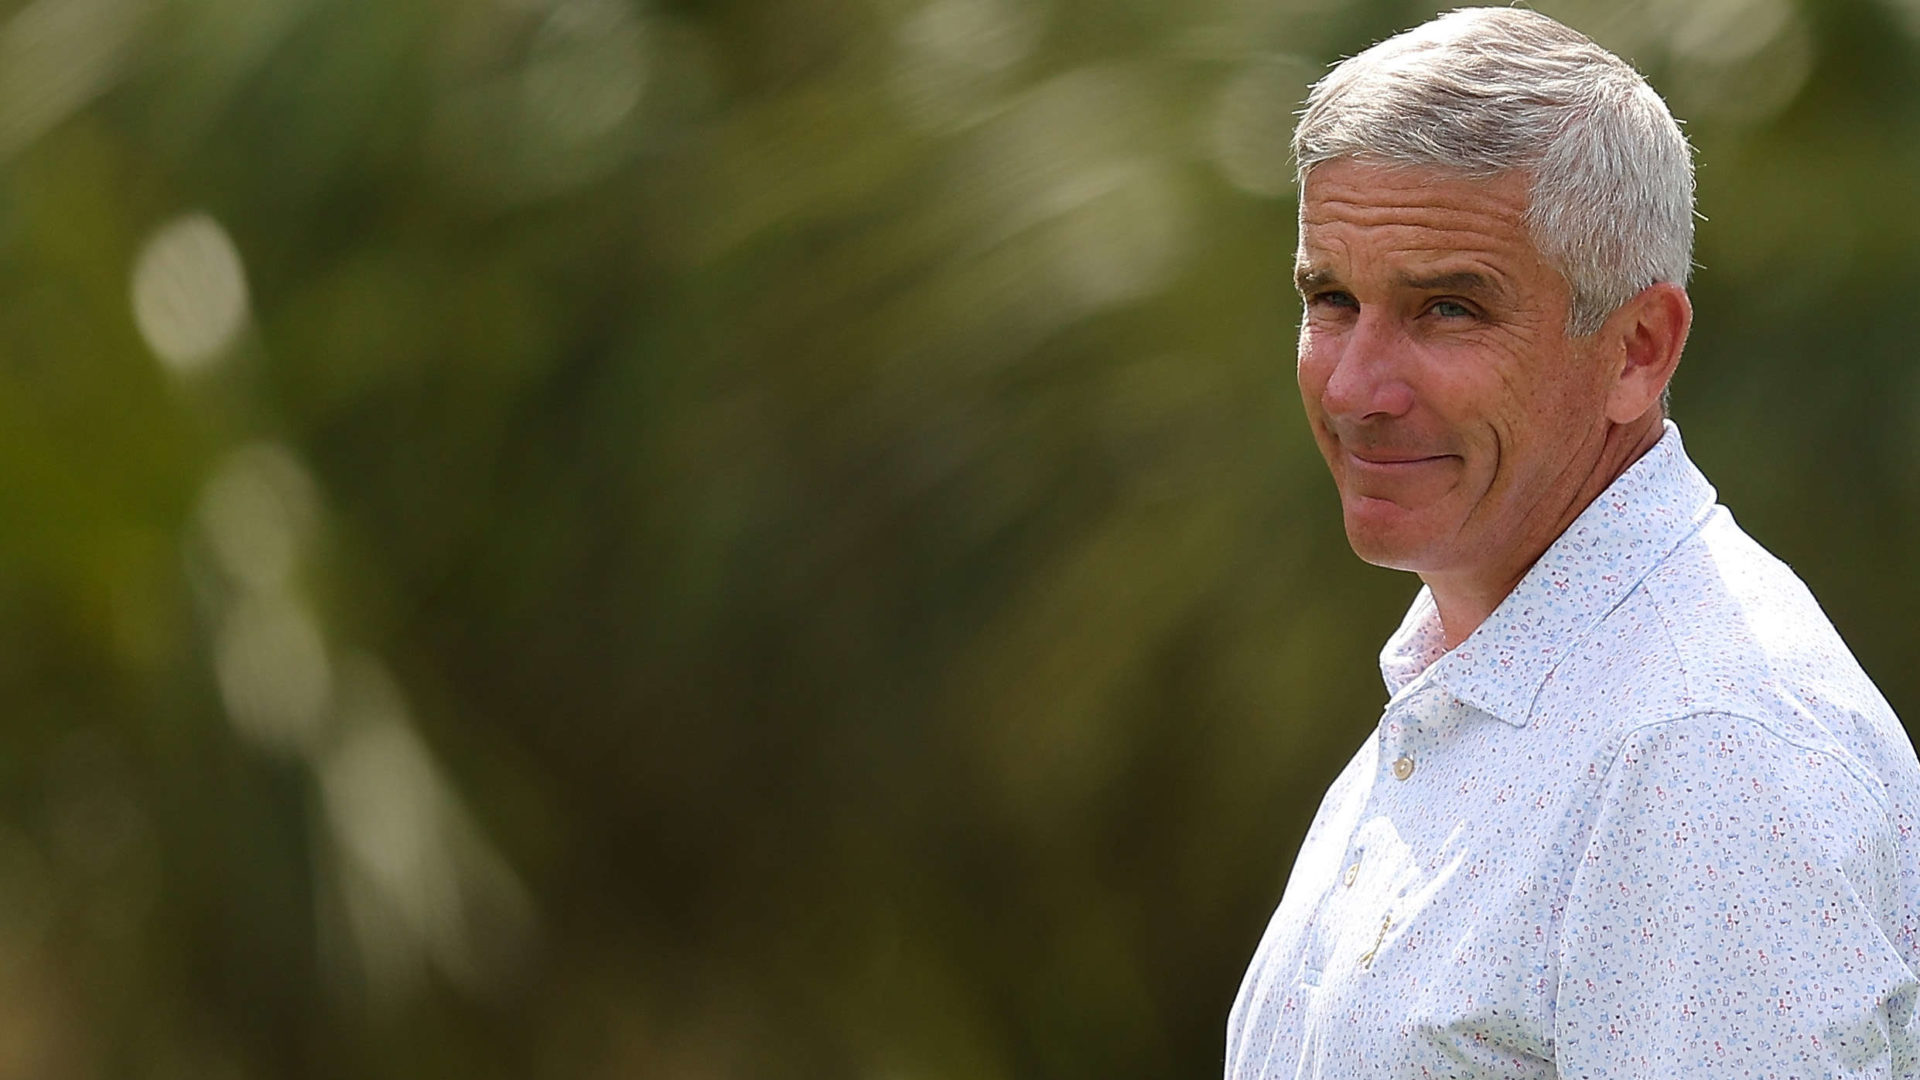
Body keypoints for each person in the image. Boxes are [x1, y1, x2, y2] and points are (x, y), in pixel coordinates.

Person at [1225, 7, 1920, 1078]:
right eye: (1332, 298)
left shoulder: (1703, 748)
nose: (1357, 388)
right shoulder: (1481, 677)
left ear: (1638, 348)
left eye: (1447, 308)